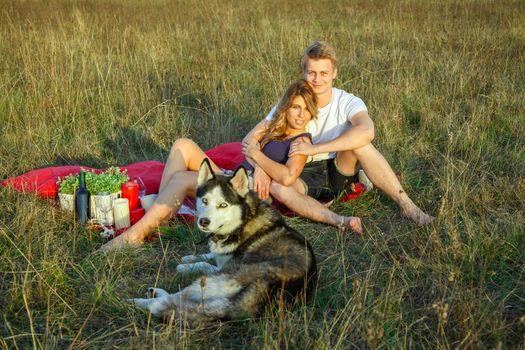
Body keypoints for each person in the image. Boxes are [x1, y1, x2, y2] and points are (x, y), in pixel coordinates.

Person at [101, 79, 362, 251]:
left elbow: (287, 175)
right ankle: (164, 206)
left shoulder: (301, 140)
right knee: (183, 144)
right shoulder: (274, 126)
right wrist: (258, 164)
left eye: (306, 109)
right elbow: (247, 142)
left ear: (312, 113)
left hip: (249, 193)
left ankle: (137, 234)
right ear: (286, 108)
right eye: (295, 107)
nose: (300, 114)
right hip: (241, 177)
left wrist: (259, 160)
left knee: (181, 179)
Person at [242, 41, 434, 226]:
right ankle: (337, 219)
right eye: (312, 73)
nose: (317, 80)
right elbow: (250, 139)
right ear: (304, 72)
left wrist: (315, 148)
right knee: (277, 187)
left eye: (324, 73)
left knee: (360, 143)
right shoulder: (294, 102)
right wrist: (261, 168)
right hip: (301, 172)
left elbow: (367, 131)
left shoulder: (347, 101)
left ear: (334, 73)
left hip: (338, 168)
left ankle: (408, 207)